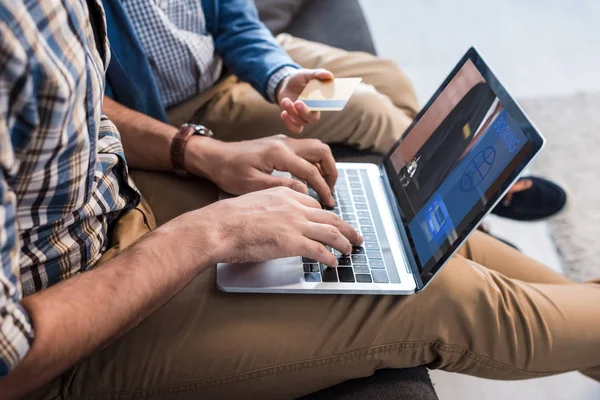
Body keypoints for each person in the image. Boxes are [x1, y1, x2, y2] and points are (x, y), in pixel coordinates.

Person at [3, 2, 599, 400]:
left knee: (402, 224)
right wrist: (205, 234)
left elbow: (84, 107)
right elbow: (11, 355)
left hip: (122, 197)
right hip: (67, 327)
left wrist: (198, 153)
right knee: (436, 292)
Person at [102, 0, 566, 222]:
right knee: (369, 109)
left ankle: (433, 190)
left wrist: (280, 76)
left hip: (235, 62)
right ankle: (470, 200)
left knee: (388, 77)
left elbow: (233, 19)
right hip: (182, 107)